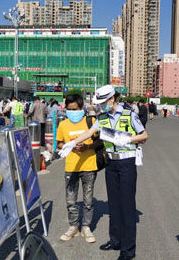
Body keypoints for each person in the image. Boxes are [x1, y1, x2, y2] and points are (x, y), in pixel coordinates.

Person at [59, 85, 148, 260]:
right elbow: (90, 132)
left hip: (127, 162)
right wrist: (71, 143)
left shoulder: (129, 114)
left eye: (103, 102)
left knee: (127, 206)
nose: (101, 105)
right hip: (111, 163)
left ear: (112, 99)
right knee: (114, 204)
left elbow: (144, 135)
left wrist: (128, 138)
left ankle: (128, 250)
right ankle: (115, 241)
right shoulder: (103, 117)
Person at [56, 94, 98, 244]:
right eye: (70, 109)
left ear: (82, 108)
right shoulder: (63, 125)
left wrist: (87, 146)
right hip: (71, 166)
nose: (73, 112)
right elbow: (59, 143)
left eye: (76, 109)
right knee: (71, 200)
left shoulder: (91, 122)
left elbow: (100, 142)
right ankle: (73, 227)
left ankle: (86, 227)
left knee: (88, 200)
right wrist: (69, 147)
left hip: (89, 165)